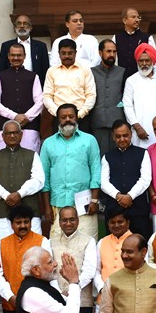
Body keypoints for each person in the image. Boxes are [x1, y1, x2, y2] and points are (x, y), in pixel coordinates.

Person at [40, 103, 101, 240]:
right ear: (57, 119)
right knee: (58, 246)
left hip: (85, 203)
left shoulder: (89, 140)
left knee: (87, 243)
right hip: (58, 203)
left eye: (71, 116)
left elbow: (96, 170)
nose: (67, 119)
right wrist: (46, 207)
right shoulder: (48, 143)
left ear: (77, 118)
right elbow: (44, 177)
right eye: (63, 117)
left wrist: (95, 200)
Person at [0, 120, 45, 245]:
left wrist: (20, 194)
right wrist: (6, 195)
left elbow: (39, 179)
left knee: (32, 251)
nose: (12, 136)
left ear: (21, 135)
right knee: (1, 252)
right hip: (0, 212)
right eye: (9, 133)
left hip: (29, 212)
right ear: (3, 136)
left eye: (16, 133)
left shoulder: (32, 155)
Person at [100, 120, 152, 238]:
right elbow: (104, 183)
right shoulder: (107, 157)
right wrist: (118, 196)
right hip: (114, 212)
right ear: (113, 137)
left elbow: (145, 179)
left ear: (131, 134)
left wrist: (130, 196)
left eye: (125, 135)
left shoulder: (143, 154)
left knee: (140, 244)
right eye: (118, 136)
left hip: (138, 210)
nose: (122, 139)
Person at [0, 43, 43, 151]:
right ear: (8, 56)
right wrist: (14, 116)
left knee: (29, 161)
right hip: (5, 126)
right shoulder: (0, 76)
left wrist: (26, 117)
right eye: (13, 55)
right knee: (4, 162)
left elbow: (40, 102)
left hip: (29, 127)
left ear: (24, 56)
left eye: (19, 55)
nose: (16, 58)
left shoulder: (33, 76)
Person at [51, 206, 97, 313]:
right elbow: (49, 273)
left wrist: (73, 289)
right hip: (57, 299)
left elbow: (89, 272)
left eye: (72, 219)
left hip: (82, 301)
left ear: (78, 220)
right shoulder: (50, 242)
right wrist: (59, 293)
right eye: (64, 220)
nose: (68, 223)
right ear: (59, 222)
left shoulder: (89, 241)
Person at [42, 40, 97, 131]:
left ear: (75, 53)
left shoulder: (85, 70)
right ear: (59, 54)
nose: (67, 56)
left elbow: (91, 95)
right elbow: (47, 96)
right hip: (59, 119)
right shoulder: (51, 71)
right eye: (63, 53)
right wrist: (58, 113)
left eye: (70, 53)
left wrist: (79, 114)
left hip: (81, 118)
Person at [124, 43, 156, 149]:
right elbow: (127, 106)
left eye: (147, 60)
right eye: (141, 61)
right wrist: (137, 127)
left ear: (153, 61)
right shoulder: (131, 81)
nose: (144, 64)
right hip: (140, 132)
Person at [89, 39, 126, 154]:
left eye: (114, 52)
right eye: (108, 51)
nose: (112, 55)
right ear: (100, 53)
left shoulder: (122, 72)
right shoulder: (91, 72)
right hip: (97, 122)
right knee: (99, 158)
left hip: (118, 123)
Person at [0, 14, 49, 86]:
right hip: (11, 85)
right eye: (19, 23)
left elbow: (45, 70)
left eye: (25, 23)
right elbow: (2, 69)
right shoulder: (6, 46)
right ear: (15, 28)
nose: (22, 26)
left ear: (30, 28)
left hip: (35, 85)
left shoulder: (41, 46)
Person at [94, 209, 133, 303]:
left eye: (120, 222)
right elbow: (96, 270)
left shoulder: (136, 241)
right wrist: (101, 288)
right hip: (103, 297)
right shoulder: (102, 242)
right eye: (112, 222)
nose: (116, 225)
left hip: (129, 299)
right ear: (108, 224)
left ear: (127, 223)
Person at [112, 7, 156, 80]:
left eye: (138, 17)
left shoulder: (147, 37)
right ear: (124, 20)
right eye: (133, 17)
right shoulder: (116, 37)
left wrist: (154, 78)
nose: (137, 20)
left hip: (142, 79)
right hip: (122, 79)